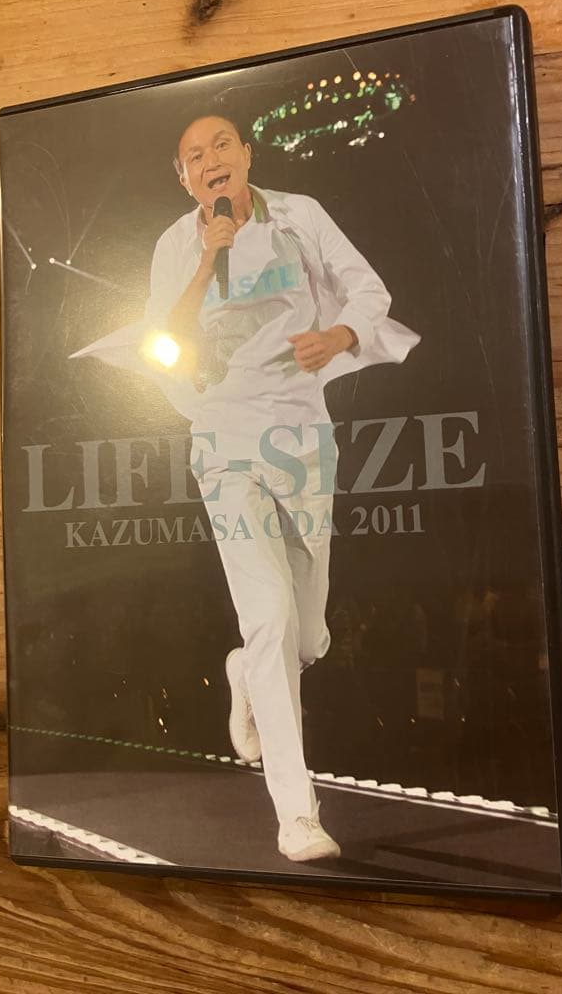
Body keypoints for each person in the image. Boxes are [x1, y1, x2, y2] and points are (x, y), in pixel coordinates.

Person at [75, 109, 419, 862]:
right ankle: (298, 814)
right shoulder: (176, 243)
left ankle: (245, 674)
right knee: (267, 618)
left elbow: (368, 292)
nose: (210, 160)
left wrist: (340, 335)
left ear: (247, 155)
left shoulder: (301, 217)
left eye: (221, 145)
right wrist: (209, 257)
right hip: (223, 436)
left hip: (302, 437)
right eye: (193, 155)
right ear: (185, 179)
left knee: (308, 636)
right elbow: (164, 338)